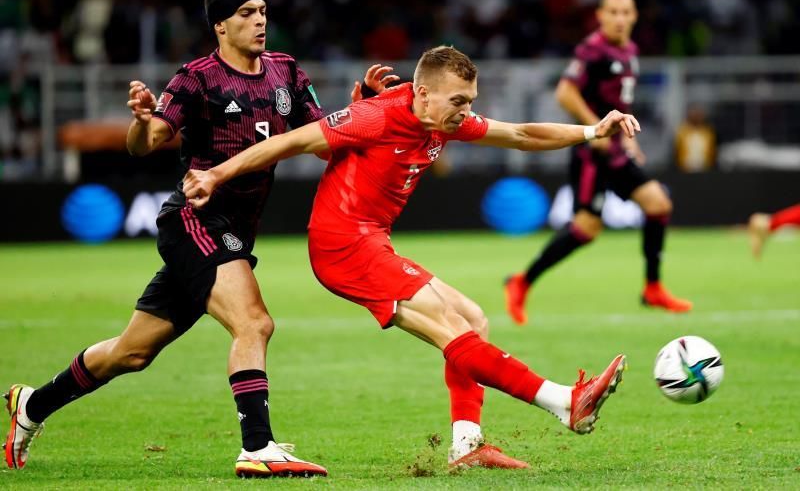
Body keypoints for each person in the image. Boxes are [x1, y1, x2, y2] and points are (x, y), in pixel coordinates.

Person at [4, 0, 395, 478]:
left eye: (262, 11)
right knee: (254, 322)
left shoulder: (287, 73)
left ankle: (31, 406)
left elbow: (321, 139)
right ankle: (257, 447)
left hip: (235, 230)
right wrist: (143, 122)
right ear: (220, 26)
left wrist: (361, 104)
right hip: (194, 219)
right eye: (246, 14)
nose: (259, 22)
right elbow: (144, 143)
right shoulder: (197, 78)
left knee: (132, 352)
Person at [182, 45, 637, 470]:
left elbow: (518, 133)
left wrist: (592, 130)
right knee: (451, 328)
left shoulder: (445, 120)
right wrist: (216, 174)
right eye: (458, 100)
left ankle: (467, 446)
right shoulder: (375, 116)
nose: (466, 111)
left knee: (472, 318)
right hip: (343, 246)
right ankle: (563, 401)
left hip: (372, 241)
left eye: (469, 100)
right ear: (422, 93)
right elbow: (292, 143)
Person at [504, 0, 692, 325]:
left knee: (658, 204)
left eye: (626, 13)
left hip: (617, 150)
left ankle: (653, 288)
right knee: (585, 230)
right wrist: (596, 127)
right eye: (613, 12)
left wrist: (628, 138)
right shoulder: (593, 49)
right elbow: (565, 92)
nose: (620, 19)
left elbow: (619, 100)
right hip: (593, 154)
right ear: (600, 16)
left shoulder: (630, 50)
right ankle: (521, 281)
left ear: (634, 16)